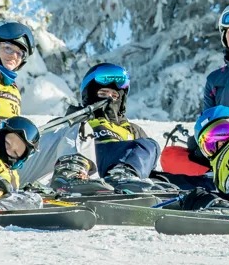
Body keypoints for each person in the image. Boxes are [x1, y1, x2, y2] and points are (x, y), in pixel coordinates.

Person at [46, 63, 168, 194]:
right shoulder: (77, 120)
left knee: (151, 145)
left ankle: (125, 177)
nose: (109, 98)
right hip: (90, 164)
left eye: (114, 95)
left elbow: (144, 162)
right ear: (90, 95)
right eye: (103, 93)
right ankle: (80, 175)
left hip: (125, 176)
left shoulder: (133, 130)